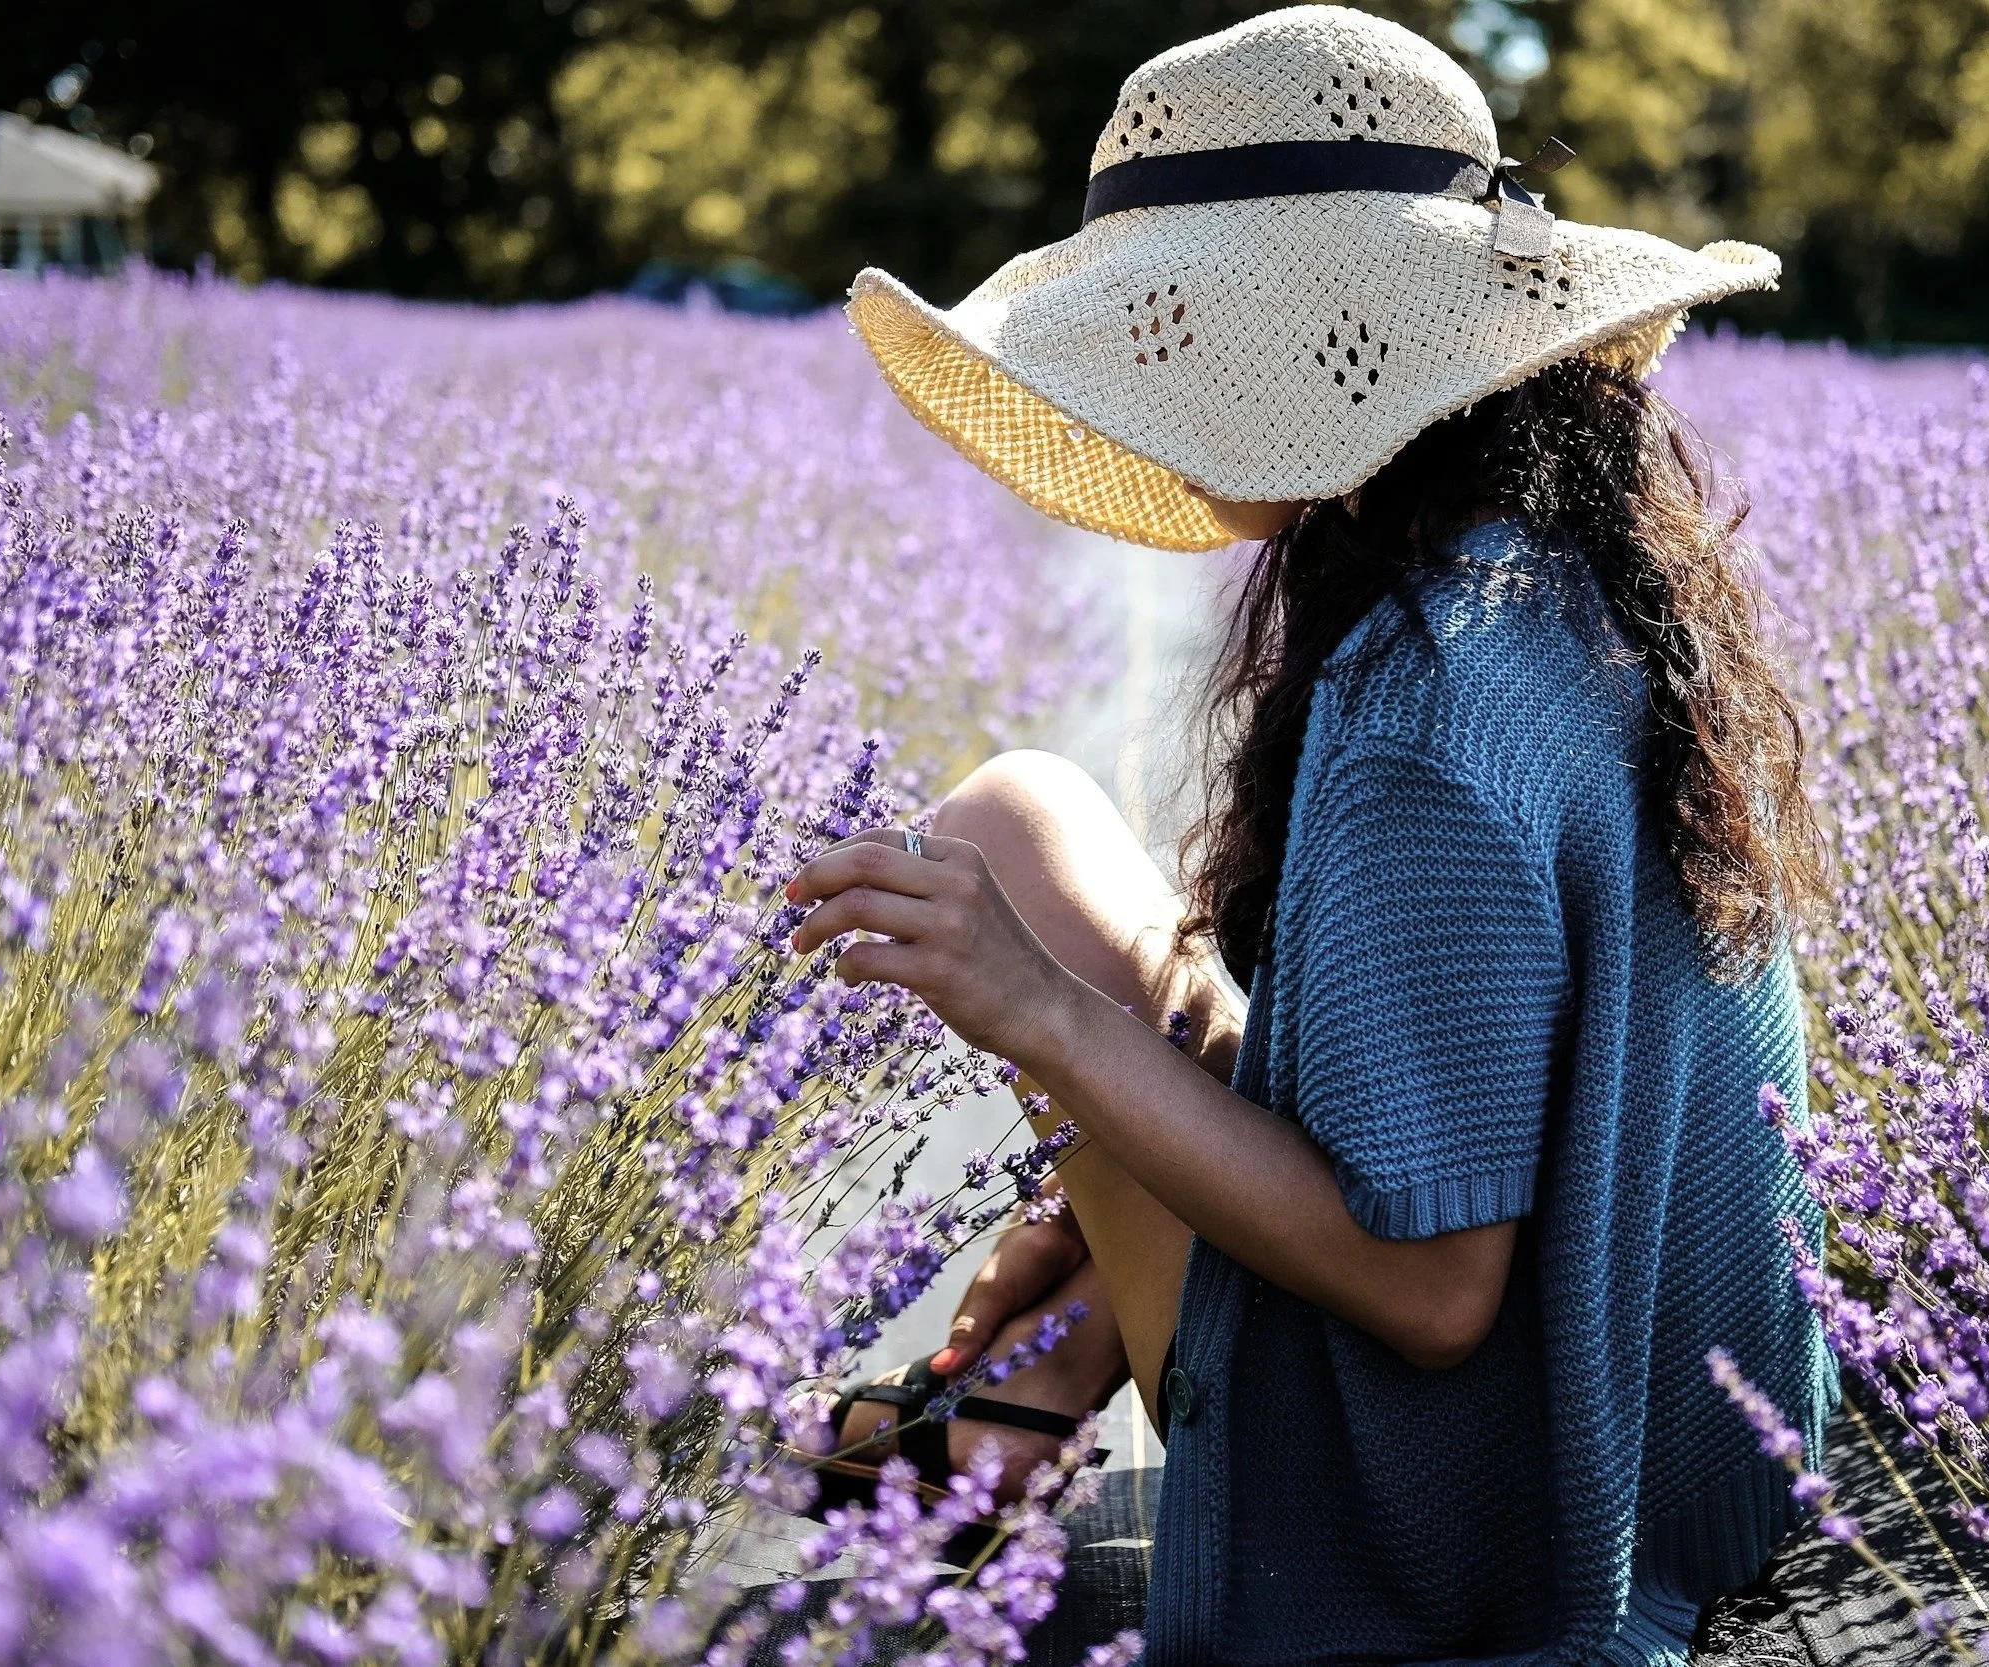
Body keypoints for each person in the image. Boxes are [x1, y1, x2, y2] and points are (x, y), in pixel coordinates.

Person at [784, 7, 1839, 1662]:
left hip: (1476, 1521)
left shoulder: (1425, 708)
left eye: (1168, 331)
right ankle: (1047, 1361)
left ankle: (1014, 1398)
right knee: (1021, 816)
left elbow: (1431, 1291)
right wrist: (1086, 1220)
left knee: (1015, 903)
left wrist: (1037, 1017)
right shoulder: (1568, 582)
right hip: (1679, 1435)